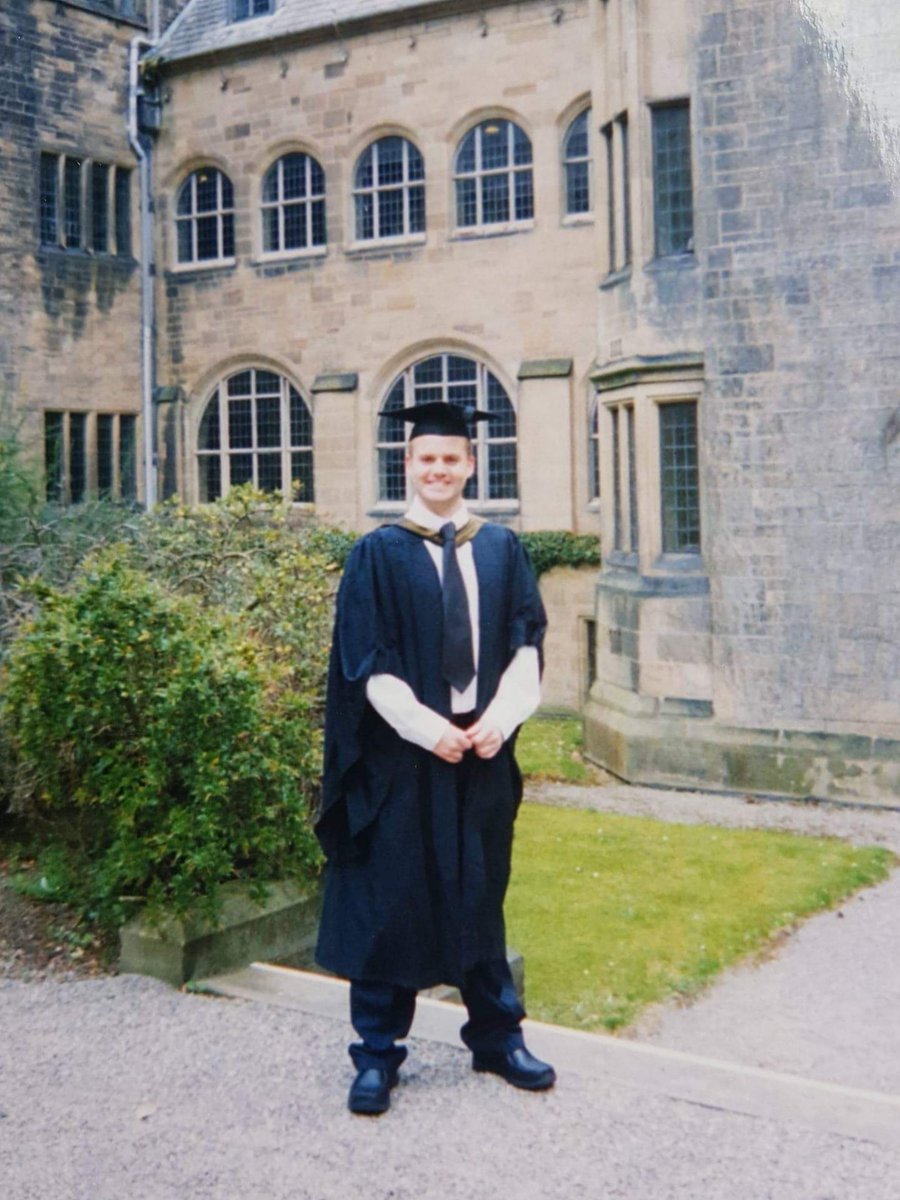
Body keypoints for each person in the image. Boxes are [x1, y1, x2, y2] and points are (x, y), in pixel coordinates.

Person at [314, 401, 555, 1115]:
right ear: (408, 465)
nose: (439, 469)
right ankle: (378, 1055)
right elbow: (367, 662)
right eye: (427, 459)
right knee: (392, 896)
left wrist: (499, 720)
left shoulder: (502, 550)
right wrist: (429, 729)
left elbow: (526, 646)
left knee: (481, 891)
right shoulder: (377, 555)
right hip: (404, 756)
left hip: (482, 749)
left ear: (471, 464)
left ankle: (497, 1038)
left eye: (451, 458)